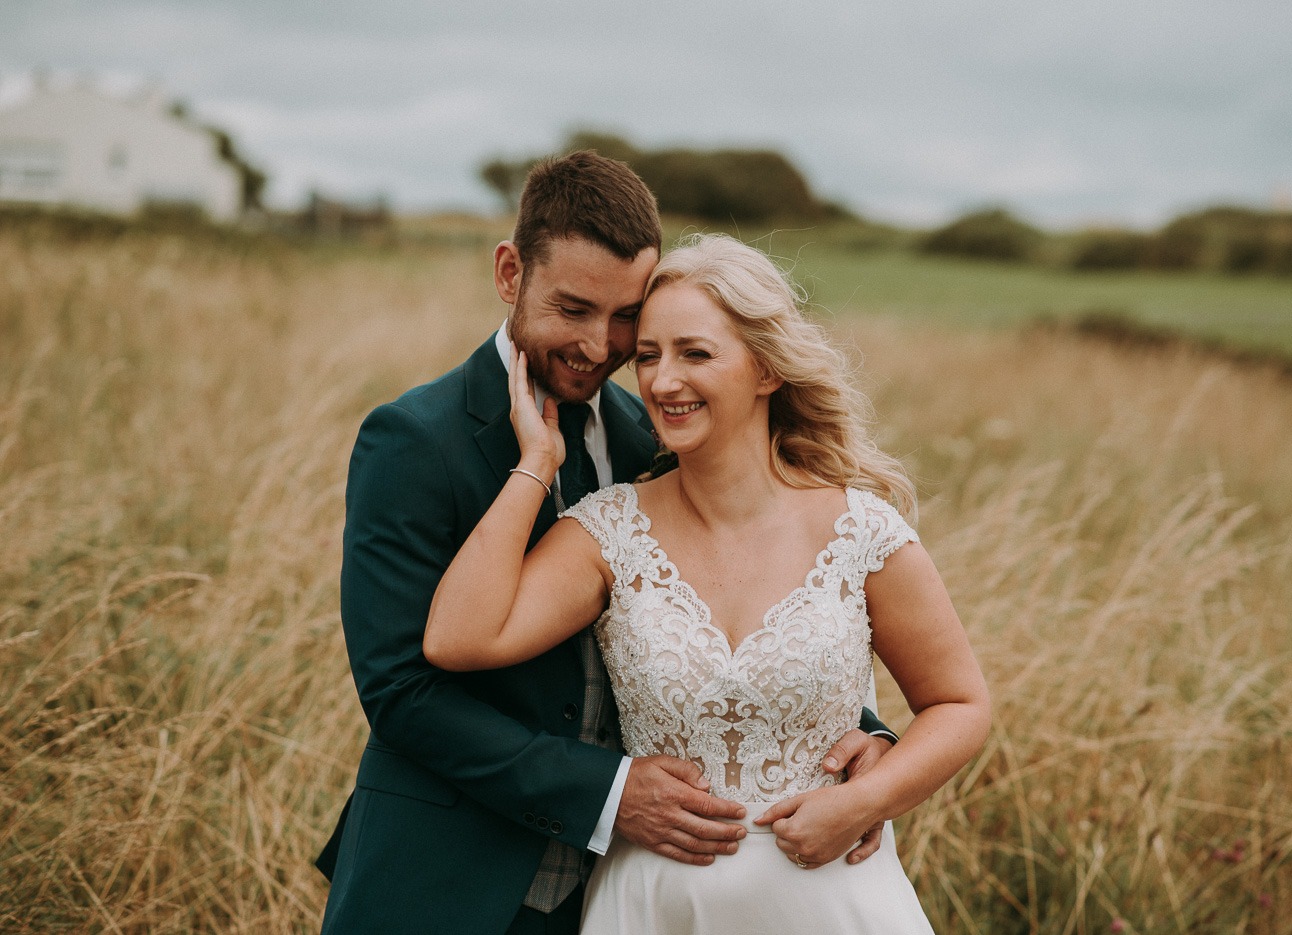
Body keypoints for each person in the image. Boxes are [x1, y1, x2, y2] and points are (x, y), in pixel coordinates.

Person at [316, 153, 897, 935]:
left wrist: (861, 739)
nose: (601, 345)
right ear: (509, 272)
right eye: (574, 308)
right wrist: (610, 791)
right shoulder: (414, 440)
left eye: (627, 316)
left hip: (611, 896)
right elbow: (400, 691)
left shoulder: (651, 434)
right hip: (443, 880)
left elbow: (723, 612)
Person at [423, 232, 992, 932]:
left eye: (696, 353)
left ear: (766, 370)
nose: (663, 382)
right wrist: (537, 461)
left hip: (829, 899)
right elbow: (458, 637)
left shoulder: (861, 532)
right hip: (656, 904)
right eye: (650, 356)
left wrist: (864, 803)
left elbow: (961, 703)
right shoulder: (610, 533)